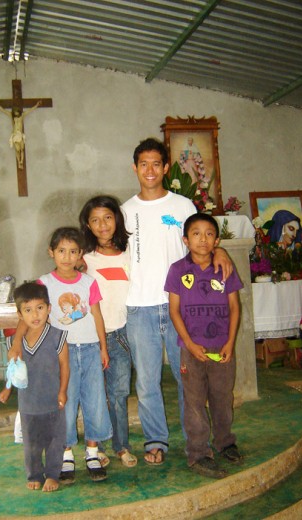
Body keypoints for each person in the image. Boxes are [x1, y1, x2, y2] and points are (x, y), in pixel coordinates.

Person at [122, 137, 232, 465]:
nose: (151, 170)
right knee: (147, 379)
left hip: (181, 307)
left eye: (157, 163)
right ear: (135, 168)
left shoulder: (183, 206)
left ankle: (195, 441)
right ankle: (155, 440)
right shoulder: (126, 212)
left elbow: (201, 240)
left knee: (189, 378)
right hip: (139, 305)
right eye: (144, 164)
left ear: (166, 167)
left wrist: (221, 248)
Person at [165, 213, 243, 479]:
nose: (203, 239)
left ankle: (225, 443)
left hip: (222, 347)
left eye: (209, 233)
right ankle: (198, 453)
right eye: (196, 234)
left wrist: (231, 342)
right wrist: (189, 343)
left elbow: (234, 306)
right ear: (185, 240)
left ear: (217, 240)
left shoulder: (225, 268)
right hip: (191, 349)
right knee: (195, 402)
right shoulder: (177, 270)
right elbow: (174, 310)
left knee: (222, 397)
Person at [39, 227, 112, 484]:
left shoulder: (88, 282)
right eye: (61, 251)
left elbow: (96, 315)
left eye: (73, 251)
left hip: (91, 349)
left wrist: (103, 347)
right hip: (62, 354)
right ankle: (65, 454)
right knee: (65, 405)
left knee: (94, 400)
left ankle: (92, 452)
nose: (67, 257)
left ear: (81, 254)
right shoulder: (44, 284)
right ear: (51, 253)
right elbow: (40, 320)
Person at [79, 195, 137, 468]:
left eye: (108, 218)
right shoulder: (83, 260)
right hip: (93, 337)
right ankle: (96, 447)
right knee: (94, 395)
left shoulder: (130, 255)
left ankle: (121, 445)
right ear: (88, 225)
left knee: (119, 393)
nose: (102, 225)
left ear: (117, 219)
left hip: (123, 335)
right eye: (95, 220)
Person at [0, 281, 69, 492]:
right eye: (28, 310)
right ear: (20, 315)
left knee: (55, 441)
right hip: (28, 404)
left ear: (49, 308)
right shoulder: (17, 343)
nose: (35, 315)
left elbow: (65, 365)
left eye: (40, 308)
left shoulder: (57, 336)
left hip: (52, 402)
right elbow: (13, 370)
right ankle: (34, 475)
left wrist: (62, 391)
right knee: (32, 444)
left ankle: (53, 475)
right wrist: (7, 389)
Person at [0, 99, 42, 168]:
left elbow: (30, 110)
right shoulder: (11, 116)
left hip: (20, 134)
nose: (16, 112)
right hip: (15, 135)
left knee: (22, 149)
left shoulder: (22, 116)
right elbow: (3, 111)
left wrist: (37, 105)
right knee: (17, 150)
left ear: (18, 111)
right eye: (15, 111)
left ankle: (21, 161)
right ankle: (19, 162)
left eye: (17, 111)